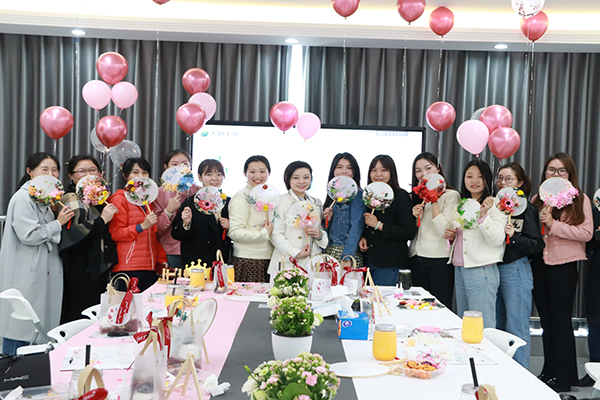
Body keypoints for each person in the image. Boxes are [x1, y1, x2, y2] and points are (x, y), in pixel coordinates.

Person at [0, 152, 75, 355]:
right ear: (30, 172)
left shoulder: (43, 197)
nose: (50, 174)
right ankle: (12, 369)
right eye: (44, 169)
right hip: (26, 270)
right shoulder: (23, 197)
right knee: (21, 325)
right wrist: (58, 223)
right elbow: (30, 235)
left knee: (35, 325)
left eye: (54, 170)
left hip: (42, 269)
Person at [531, 152, 593, 392]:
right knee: (546, 322)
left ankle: (565, 377)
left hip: (564, 266)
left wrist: (553, 225)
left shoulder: (580, 199)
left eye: (561, 170)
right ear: (545, 173)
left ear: (569, 174)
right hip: (539, 264)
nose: (555, 174)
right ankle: (549, 370)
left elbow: (586, 234)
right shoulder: (537, 198)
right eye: (551, 170)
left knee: (560, 322)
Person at [494, 162, 544, 368]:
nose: (502, 183)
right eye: (500, 178)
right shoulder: (494, 206)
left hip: (515, 269)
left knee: (517, 326)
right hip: (492, 268)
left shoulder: (526, 209)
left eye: (509, 179)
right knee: (497, 328)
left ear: (520, 183)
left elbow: (537, 245)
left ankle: (520, 375)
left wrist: (513, 237)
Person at [447, 160, 507, 329]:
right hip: (460, 268)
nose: (474, 181)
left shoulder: (495, 204)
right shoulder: (463, 204)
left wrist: (483, 216)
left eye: (480, 177)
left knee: (483, 325)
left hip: (481, 269)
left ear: (487, 179)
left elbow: (498, 239)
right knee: (465, 324)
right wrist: (451, 238)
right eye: (469, 176)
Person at [59, 155, 118, 323]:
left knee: (95, 311)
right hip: (80, 265)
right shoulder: (71, 197)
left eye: (92, 170)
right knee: (80, 313)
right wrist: (103, 219)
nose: (88, 175)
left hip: (96, 263)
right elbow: (77, 230)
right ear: (70, 175)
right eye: (81, 171)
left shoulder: (98, 197)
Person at [108, 158, 167, 292]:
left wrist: (160, 259)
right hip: (128, 267)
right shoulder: (119, 199)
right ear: (125, 176)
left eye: (144, 172)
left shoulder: (148, 201)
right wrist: (141, 226)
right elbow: (115, 233)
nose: (140, 176)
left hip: (149, 267)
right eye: (135, 172)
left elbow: (152, 236)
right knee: (128, 305)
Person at [409, 152, 460, 308]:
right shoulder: (417, 196)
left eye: (428, 168)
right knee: (417, 306)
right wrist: (414, 217)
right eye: (418, 171)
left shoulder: (451, 195)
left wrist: (434, 200)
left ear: (438, 168)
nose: (424, 174)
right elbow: (411, 231)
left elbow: (444, 230)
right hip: (417, 257)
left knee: (440, 306)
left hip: (439, 259)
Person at [359, 155, 416, 286]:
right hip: (369, 261)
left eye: (383, 170)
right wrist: (363, 237)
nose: (378, 174)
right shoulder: (369, 196)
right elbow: (366, 224)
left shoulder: (400, 196)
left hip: (390, 264)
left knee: (383, 298)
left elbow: (409, 232)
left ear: (391, 172)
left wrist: (379, 225)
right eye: (374, 170)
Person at [268, 161, 328, 277]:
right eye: (296, 177)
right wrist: (295, 253)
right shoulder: (280, 201)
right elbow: (275, 234)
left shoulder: (316, 202)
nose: (301, 181)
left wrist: (319, 235)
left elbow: (320, 229)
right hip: (287, 261)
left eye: (306, 177)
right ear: (288, 179)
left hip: (311, 262)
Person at [171, 159, 232, 268]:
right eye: (209, 174)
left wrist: (229, 227)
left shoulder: (228, 202)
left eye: (219, 174)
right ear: (199, 177)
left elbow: (236, 233)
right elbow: (176, 234)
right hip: (195, 262)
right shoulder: (191, 202)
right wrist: (186, 224)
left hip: (220, 259)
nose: (214, 178)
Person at [228, 156, 274, 282]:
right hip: (249, 259)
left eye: (262, 171)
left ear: (269, 173)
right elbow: (234, 232)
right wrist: (264, 233)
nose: (257, 176)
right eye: (252, 172)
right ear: (245, 173)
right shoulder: (241, 197)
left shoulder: (271, 195)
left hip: (269, 258)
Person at [153, 150, 199, 271]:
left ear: (190, 167)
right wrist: (168, 211)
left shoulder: (198, 191)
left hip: (195, 249)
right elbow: (156, 230)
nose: (179, 168)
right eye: (174, 164)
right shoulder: (159, 193)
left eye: (184, 164)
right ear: (166, 167)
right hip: (170, 251)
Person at [322, 153, 366, 270]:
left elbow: (356, 226)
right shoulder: (332, 193)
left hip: (345, 252)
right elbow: (326, 229)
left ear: (354, 172)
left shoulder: (357, 194)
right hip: (328, 250)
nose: (344, 171)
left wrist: (347, 257)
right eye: (339, 167)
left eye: (349, 168)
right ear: (333, 171)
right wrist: (327, 219)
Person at [581, 201, 600, 386]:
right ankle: (594, 370)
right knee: (595, 321)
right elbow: (589, 240)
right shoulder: (597, 208)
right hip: (597, 272)